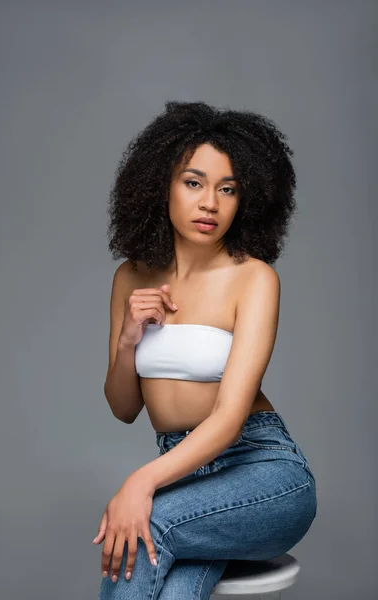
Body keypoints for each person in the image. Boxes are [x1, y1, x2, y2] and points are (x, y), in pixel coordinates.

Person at [94, 101, 317, 600]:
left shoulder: (253, 278)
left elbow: (229, 418)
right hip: (182, 477)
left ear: (247, 199)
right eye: (193, 182)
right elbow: (123, 407)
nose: (210, 203)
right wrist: (130, 337)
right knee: (162, 578)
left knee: (141, 529)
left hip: (261, 472)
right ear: (160, 186)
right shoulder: (130, 277)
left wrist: (140, 484)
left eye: (228, 188)